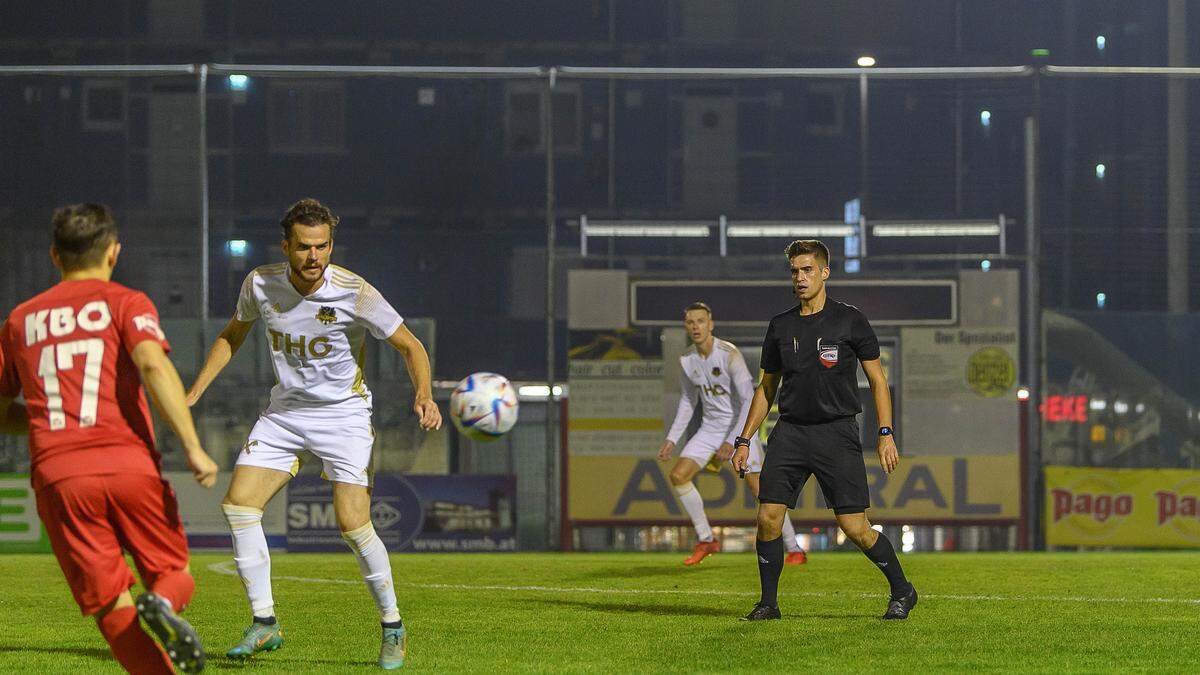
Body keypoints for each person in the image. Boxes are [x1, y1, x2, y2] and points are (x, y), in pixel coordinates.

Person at [187, 198, 441, 670]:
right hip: (285, 414)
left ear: (331, 245)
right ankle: (265, 624)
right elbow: (231, 335)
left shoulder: (354, 291)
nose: (314, 257)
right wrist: (194, 391)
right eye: (304, 247)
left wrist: (423, 394)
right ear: (286, 245)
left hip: (344, 416)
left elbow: (412, 345)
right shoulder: (260, 284)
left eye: (322, 246)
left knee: (353, 524)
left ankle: (393, 627)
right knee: (239, 507)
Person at [0, 203, 218, 673]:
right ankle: (161, 603)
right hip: (127, 464)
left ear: (55, 256)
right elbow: (152, 364)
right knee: (172, 575)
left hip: (59, 477)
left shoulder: (19, 321)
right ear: (114, 252)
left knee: (110, 606)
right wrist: (192, 445)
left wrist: (42, 419)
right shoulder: (125, 302)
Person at [732, 239, 917, 621]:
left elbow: (879, 381)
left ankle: (903, 589)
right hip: (791, 432)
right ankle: (768, 603)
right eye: (795, 271)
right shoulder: (780, 326)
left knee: (855, 528)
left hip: (837, 432)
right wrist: (744, 439)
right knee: (768, 517)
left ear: (825, 272)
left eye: (807, 270)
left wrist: (886, 433)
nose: (800, 278)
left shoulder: (850, 320)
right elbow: (767, 388)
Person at [659, 302, 807, 566]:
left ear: (711, 324)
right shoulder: (686, 360)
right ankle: (706, 540)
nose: (696, 326)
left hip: (741, 426)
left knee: (762, 493)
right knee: (678, 476)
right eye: (690, 322)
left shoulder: (729, 354)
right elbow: (687, 401)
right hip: (710, 428)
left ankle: (794, 548)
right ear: (686, 326)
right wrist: (672, 438)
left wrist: (735, 441)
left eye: (700, 321)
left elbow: (749, 399)